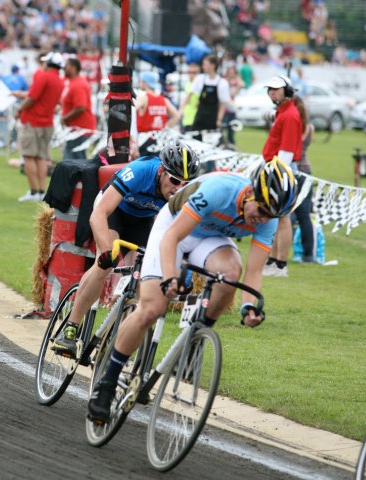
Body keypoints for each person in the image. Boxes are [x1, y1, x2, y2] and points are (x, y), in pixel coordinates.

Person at [88, 158, 300, 423]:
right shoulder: (219, 190)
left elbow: (253, 272)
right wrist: (169, 279)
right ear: (250, 192)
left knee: (231, 273)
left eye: (271, 216)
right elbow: (172, 238)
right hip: (173, 228)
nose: (263, 218)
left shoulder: (267, 220)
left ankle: (195, 339)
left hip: (209, 236)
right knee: (152, 308)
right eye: (261, 209)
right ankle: (107, 382)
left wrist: (248, 307)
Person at [52, 140, 201, 357]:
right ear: (161, 171)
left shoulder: (183, 194)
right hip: (113, 212)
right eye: (175, 180)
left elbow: (178, 236)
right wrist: (105, 252)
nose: (178, 188)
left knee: (146, 282)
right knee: (105, 265)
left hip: (143, 221)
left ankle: (117, 342)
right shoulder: (141, 171)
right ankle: (70, 329)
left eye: (185, 184)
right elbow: (99, 214)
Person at [260, 74, 304, 278]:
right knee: (275, 217)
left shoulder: (290, 115)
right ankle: (273, 261)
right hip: (277, 168)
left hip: (282, 170)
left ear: (286, 91)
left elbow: (286, 152)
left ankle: (279, 265)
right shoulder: (283, 112)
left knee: (283, 218)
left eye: (276, 89)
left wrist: (275, 176)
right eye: (270, 89)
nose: (272, 92)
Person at [15, 51, 64, 202]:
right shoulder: (60, 81)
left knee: (29, 156)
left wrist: (20, 109)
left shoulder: (44, 76)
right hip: (47, 122)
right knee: (42, 157)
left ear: (48, 63)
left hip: (33, 121)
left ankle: (33, 191)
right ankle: (42, 191)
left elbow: (32, 98)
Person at [179, 54, 232, 139]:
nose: (203, 67)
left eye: (205, 64)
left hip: (212, 118)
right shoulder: (200, 79)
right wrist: (181, 109)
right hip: (200, 116)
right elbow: (189, 95)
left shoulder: (222, 83)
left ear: (212, 66)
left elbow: (223, 103)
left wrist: (219, 119)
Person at [135, 71, 180, 156]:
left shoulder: (144, 98)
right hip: (160, 140)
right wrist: (165, 127)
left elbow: (131, 109)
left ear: (146, 83)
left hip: (144, 141)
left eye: (141, 81)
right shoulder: (163, 100)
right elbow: (176, 116)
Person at [60, 57, 97, 160]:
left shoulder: (78, 84)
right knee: (71, 159)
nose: (64, 69)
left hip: (80, 129)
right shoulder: (71, 82)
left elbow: (80, 107)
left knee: (76, 161)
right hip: (74, 129)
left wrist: (65, 118)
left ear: (73, 67)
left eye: (66, 66)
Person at [292, 117, 315, 264]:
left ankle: (277, 255)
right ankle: (307, 254)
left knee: (297, 216)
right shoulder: (310, 127)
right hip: (306, 170)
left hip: (296, 172)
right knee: (304, 216)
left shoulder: (296, 127)